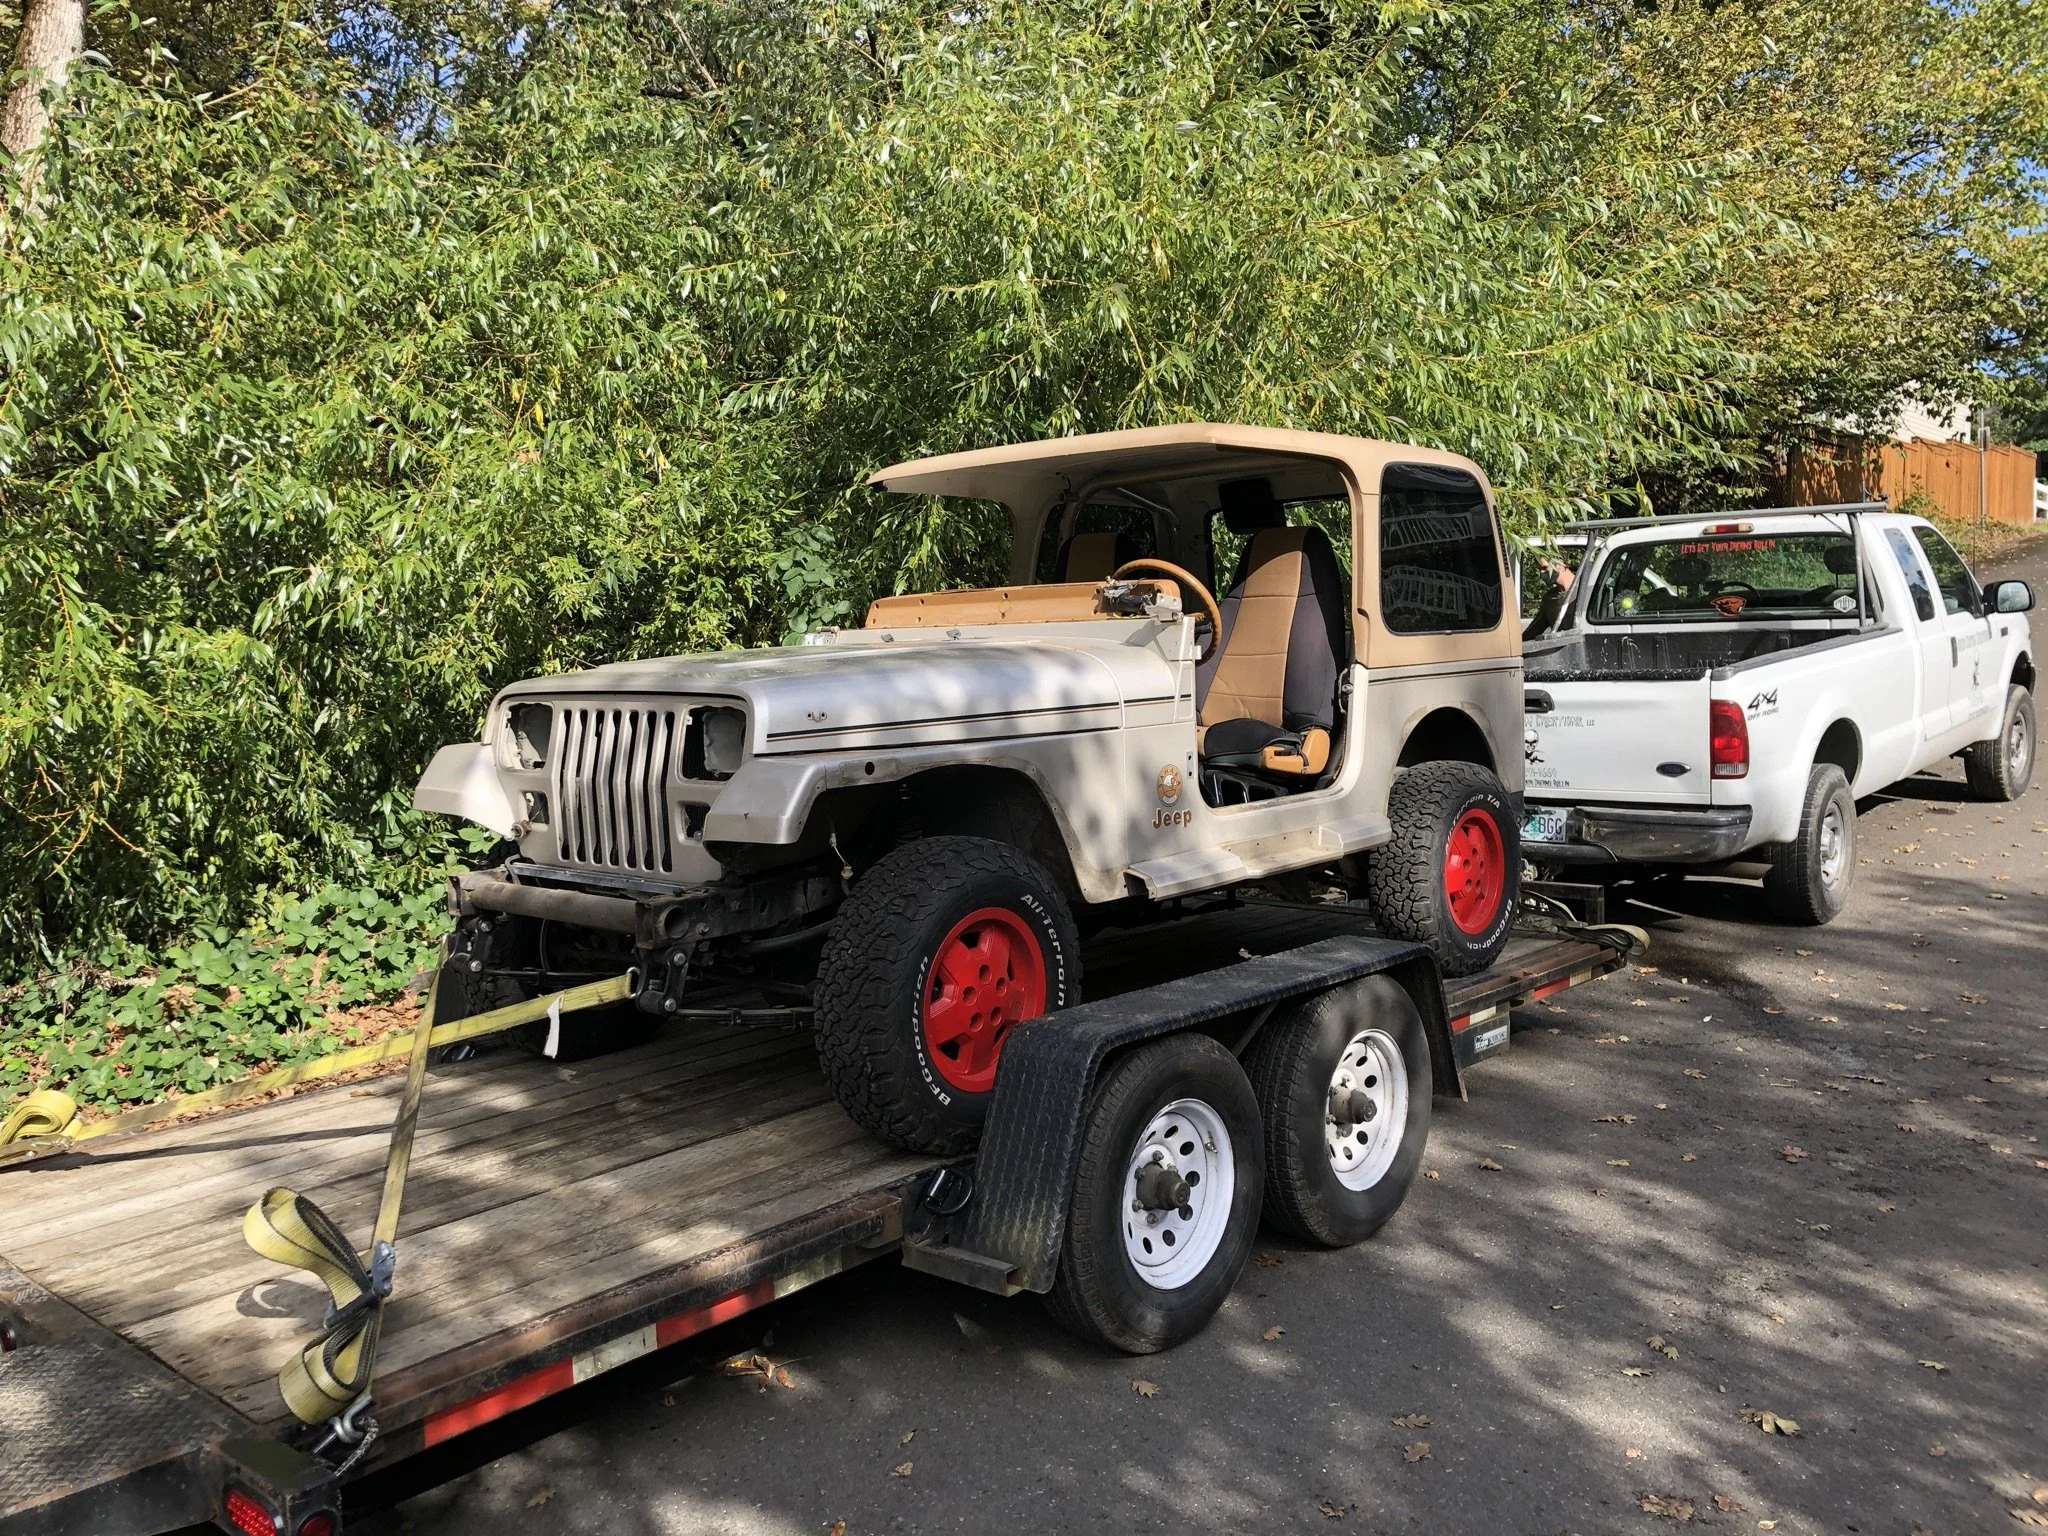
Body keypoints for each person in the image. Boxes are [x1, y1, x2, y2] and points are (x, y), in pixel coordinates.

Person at [1522, 553, 1575, 639]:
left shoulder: (1586, 587)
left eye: (1545, 568)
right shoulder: (1550, 599)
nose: (1542, 573)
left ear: (1560, 565)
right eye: (1540, 570)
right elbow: (1534, 630)